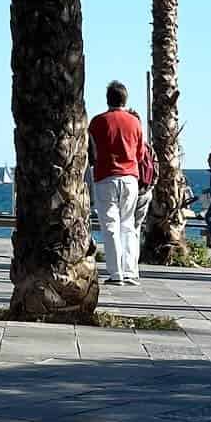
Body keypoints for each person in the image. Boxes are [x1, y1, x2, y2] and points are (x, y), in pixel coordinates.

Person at [89, 82, 144, 286]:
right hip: (130, 177)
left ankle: (116, 273)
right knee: (128, 225)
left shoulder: (97, 122)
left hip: (105, 176)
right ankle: (130, 271)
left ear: (108, 99)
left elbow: (91, 152)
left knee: (110, 225)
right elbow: (140, 153)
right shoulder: (135, 122)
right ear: (125, 99)